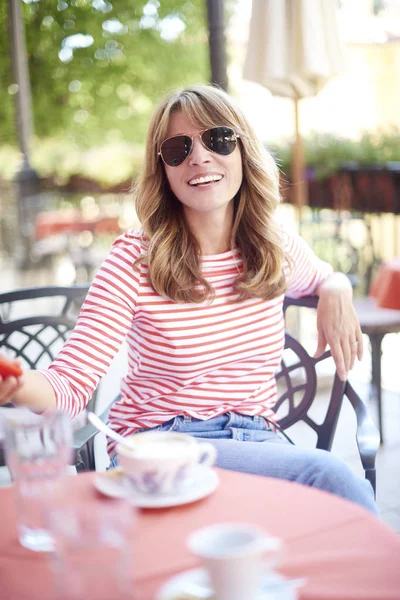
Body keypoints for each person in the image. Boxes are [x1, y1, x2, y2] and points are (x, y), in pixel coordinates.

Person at [0, 84, 377, 514]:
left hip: (258, 441)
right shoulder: (134, 260)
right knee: (329, 476)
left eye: (217, 138)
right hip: (163, 446)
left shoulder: (276, 247)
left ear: (242, 151)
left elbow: (324, 276)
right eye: (178, 148)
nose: (198, 156)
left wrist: (337, 289)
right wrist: (16, 385)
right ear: (163, 168)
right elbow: (69, 385)